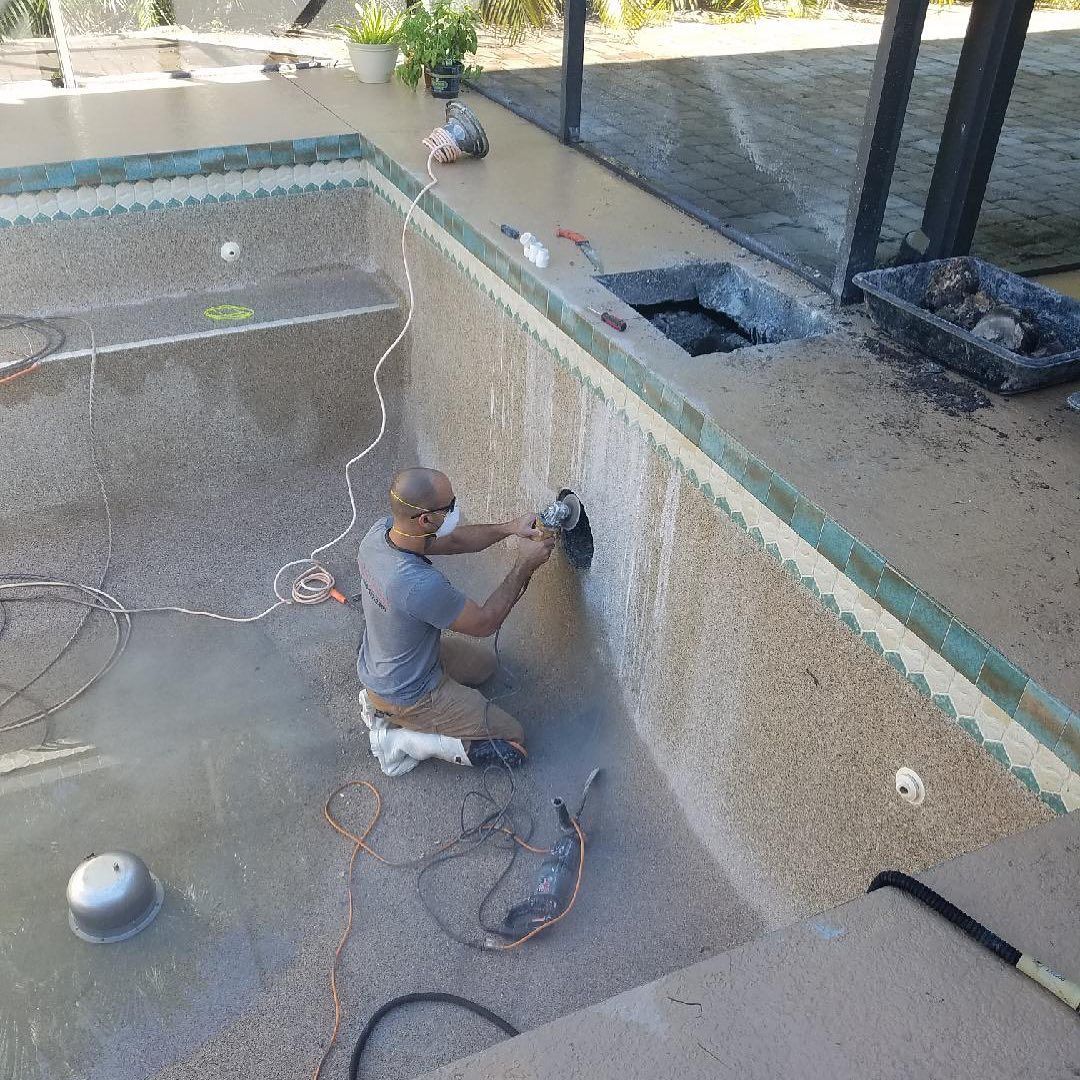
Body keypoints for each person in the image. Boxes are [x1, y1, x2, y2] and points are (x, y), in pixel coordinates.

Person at [356, 467, 554, 776]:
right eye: (449, 506)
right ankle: (402, 740)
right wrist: (524, 565)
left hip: (390, 663)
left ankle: (381, 703)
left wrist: (510, 528)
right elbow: (486, 622)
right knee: (513, 740)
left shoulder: (379, 535)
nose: (454, 511)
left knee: (485, 667)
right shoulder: (417, 585)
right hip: (409, 692)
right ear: (425, 519)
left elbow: (457, 541)